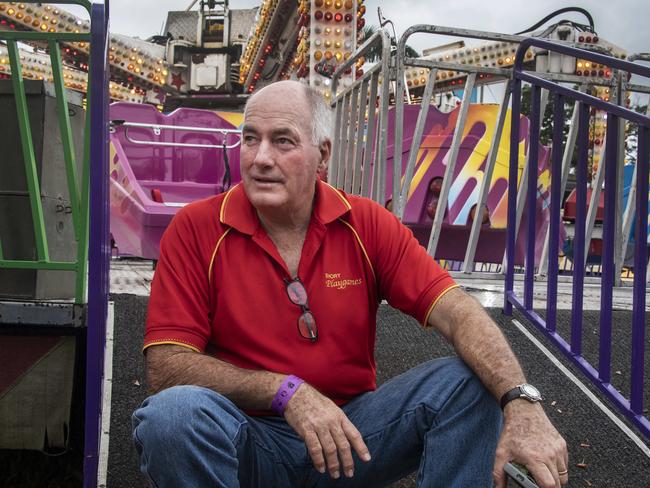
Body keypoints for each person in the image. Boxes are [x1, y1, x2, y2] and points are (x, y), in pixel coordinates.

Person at [132, 80, 568, 488]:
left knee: (472, 382)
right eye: (250, 138)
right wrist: (286, 392)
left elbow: (457, 309)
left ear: (323, 156)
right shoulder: (196, 227)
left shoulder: (365, 223)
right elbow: (168, 366)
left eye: (282, 140)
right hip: (245, 440)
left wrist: (521, 401)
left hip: (350, 439)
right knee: (172, 416)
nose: (260, 157)